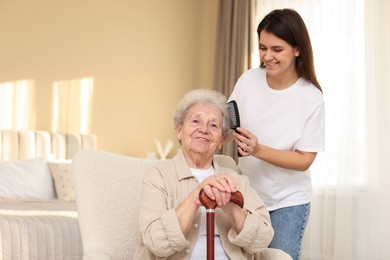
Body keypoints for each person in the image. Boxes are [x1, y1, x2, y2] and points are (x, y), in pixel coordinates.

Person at [228, 8, 325, 260]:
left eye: (276, 49)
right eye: (262, 47)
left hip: (287, 203)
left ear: (297, 49)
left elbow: (304, 160)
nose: (267, 56)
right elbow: (229, 122)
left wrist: (258, 150)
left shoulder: (311, 97)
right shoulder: (249, 80)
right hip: (247, 196)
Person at [132, 89, 274, 259]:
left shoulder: (236, 179)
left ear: (221, 140)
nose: (204, 129)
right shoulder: (158, 176)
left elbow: (263, 239)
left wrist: (231, 206)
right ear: (179, 130)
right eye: (195, 121)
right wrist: (195, 197)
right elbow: (157, 243)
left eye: (213, 125)